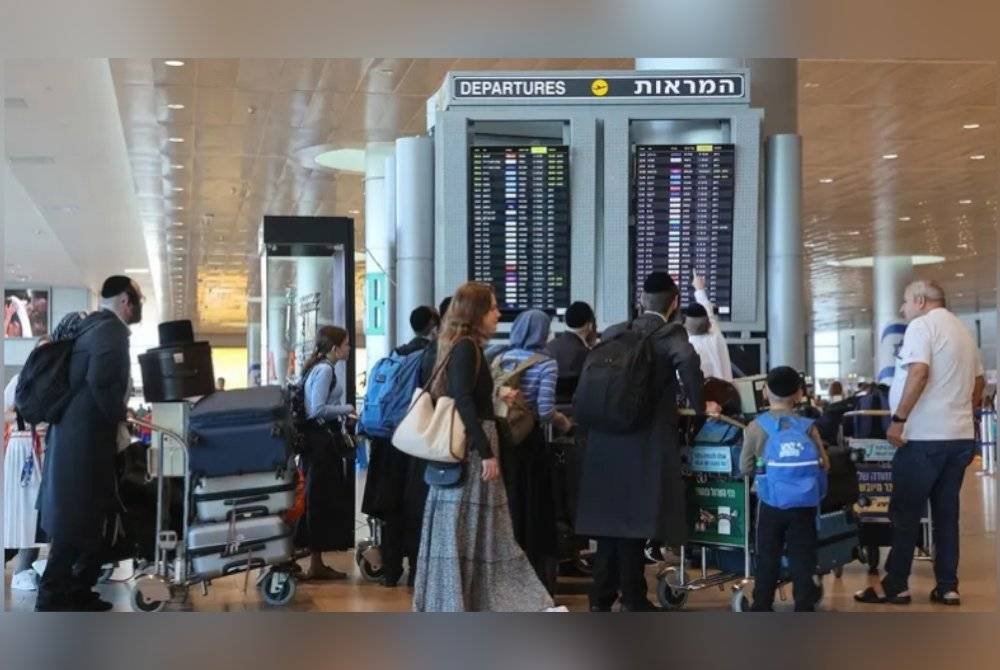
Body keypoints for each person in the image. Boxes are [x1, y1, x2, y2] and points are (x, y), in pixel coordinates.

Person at [412, 282, 557, 611]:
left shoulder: (458, 346)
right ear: (477, 314)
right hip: (473, 451)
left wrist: (494, 395)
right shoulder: (467, 348)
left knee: (468, 531)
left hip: (464, 450)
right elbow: (463, 399)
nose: (498, 314)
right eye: (492, 308)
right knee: (481, 531)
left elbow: (461, 394)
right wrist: (487, 452)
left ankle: (460, 600)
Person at [575, 272, 705, 612]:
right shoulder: (670, 333)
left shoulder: (617, 331)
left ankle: (601, 597)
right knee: (633, 521)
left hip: (605, 438)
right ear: (674, 302)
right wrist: (701, 405)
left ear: (642, 301)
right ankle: (633, 597)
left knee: (610, 522)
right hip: (643, 438)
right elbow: (688, 363)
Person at [855, 280, 985, 607]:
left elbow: (919, 373)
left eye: (905, 302)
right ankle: (947, 585)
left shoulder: (922, 326)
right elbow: (979, 382)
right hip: (957, 439)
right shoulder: (963, 331)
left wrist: (898, 419)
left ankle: (895, 584)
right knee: (945, 515)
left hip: (924, 439)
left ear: (920, 300)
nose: (902, 309)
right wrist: (963, 416)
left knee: (905, 513)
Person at [35, 277, 141, 611]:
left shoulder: (91, 328)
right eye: (137, 299)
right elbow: (104, 384)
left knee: (90, 521)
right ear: (126, 300)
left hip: (76, 440)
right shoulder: (110, 331)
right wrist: (120, 418)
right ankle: (51, 595)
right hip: (85, 444)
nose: (138, 305)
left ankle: (77, 590)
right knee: (74, 524)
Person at [487, 309, 571, 592]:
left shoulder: (499, 357)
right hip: (528, 442)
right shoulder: (546, 364)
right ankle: (531, 572)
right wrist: (565, 423)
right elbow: (546, 411)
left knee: (508, 503)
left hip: (500, 439)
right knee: (533, 506)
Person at [740, 366, 830, 612]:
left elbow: (745, 466)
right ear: (799, 394)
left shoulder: (756, 427)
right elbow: (825, 463)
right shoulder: (808, 426)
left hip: (770, 503)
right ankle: (803, 604)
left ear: (766, 392)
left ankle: (762, 604)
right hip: (805, 504)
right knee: (803, 557)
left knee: (768, 555)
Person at [362, 305, 440, 587]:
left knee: (392, 509)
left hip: (387, 440)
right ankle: (417, 572)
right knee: (415, 507)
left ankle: (391, 570)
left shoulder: (394, 355)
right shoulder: (429, 356)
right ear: (433, 325)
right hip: (413, 440)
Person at [295, 325, 356, 581]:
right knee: (319, 499)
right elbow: (316, 409)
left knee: (317, 498)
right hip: (320, 445)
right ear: (334, 348)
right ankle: (315, 562)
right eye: (346, 344)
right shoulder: (324, 370)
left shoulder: (317, 368)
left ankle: (316, 561)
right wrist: (346, 408)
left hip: (315, 444)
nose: (349, 348)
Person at [3, 336, 50, 592]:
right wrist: (25, 417)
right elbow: (4, 411)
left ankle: (36, 565)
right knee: (23, 510)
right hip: (23, 448)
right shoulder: (20, 380)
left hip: (46, 449)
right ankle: (22, 567)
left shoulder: (57, 382)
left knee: (41, 510)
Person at [683, 272, 733, 381]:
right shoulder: (717, 338)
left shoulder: (687, 350)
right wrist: (700, 289)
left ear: (685, 327)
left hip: (703, 397)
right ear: (709, 325)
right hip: (726, 396)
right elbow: (709, 314)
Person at [545, 301, 598, 403]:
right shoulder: (588, 356)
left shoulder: (549, 348)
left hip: (550, 409)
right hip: (577, 410)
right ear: (591, 325)